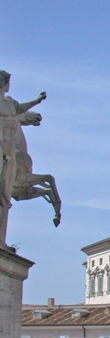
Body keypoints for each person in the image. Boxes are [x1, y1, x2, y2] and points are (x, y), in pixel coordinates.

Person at [0, 70, 46, 244]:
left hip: (9, 153)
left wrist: (36, 100)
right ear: (4, 83)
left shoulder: (10, 104)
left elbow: (21, 110)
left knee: (5, 194)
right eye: (8, 81)